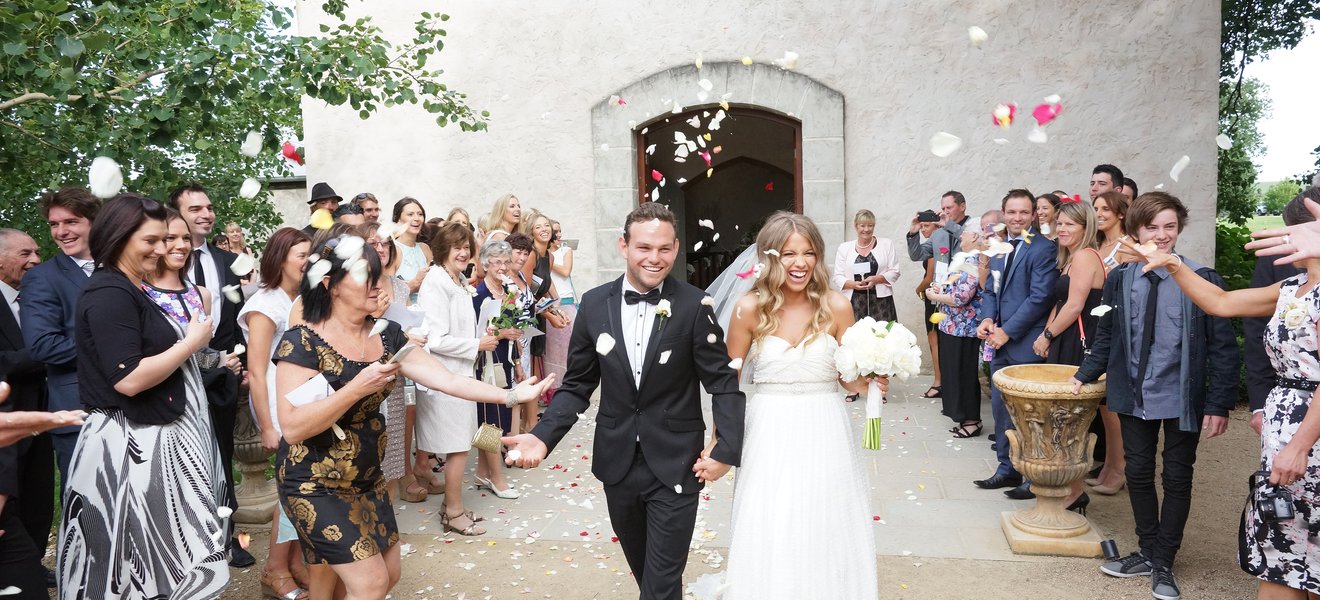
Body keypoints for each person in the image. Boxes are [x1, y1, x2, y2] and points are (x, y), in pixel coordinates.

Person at [272, 235, 552, 599]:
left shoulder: (387, 335)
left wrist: (512, 394)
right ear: (331, 286)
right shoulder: (302, 342)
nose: (378, 287)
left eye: (379, 276)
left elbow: (448, 379)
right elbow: (293, 427)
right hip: (313, 481)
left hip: (366, 477)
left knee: (387, 574)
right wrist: (356, 388)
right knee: (370, 583)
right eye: (366, 277)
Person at [502, 202, 746, 600]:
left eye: (665, 249)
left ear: (676, 248)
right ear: (624, 246)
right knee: (646, 574)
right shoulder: (595, 304)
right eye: (644, 248)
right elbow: (578, 384)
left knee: (661, 584)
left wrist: (726, 449)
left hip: (676, 462)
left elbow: (723, 383)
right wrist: (542, 437)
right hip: (617, 463)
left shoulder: (694, 304)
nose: (655, 258)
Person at [1118, 198, 1318, 600]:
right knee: (1285, 557)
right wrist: (1174, 265)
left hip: (1309, 438)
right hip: (1283, 436)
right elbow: (1221, 304)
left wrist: (1299, 446)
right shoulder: (1292, 287)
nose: (1288, 236)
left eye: (1304, 229)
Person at [58, 193, 229, 599]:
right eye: (150, 241)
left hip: (158, 438)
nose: (161, 249)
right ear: (119, 237)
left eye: (163, 239)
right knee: (141, 569)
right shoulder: (109, 293)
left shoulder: (128, 288)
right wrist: (191, 343)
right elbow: (129, 379)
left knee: (167, 564)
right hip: (132, 447)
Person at [1071, 192, 1238, 600]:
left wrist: (1218, 403)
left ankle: (1165, 559)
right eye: (1152, 227)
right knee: (1139, 474)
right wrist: (1086, 374)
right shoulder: (1120, 278)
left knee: (1178, 477)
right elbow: (1107, 334)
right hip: (1134, 391)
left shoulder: (1202, 277)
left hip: (1182, 395)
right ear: (1135, 230)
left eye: (1170, 227)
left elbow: (1223, 346)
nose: (1162, 236)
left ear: (1179, 229)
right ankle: (1147, 550)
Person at [715, 211, 877, 599]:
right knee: (773, 516)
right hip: (769, 427)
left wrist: (871, 380)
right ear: (770, 257)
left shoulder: (837, 306)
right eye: (788, 254)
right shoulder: (749, 308)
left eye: (808, 253)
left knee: (823, 515)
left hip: (825, 425)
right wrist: (720, 443)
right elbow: (728, 384)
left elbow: (847, 377)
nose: (799, 263)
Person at [169, 182, 252, 567]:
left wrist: (241, 364)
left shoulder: (225, 261)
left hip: (224, 377)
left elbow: (234, 323)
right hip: (176, 376)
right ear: (176, 214)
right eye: (195, 208)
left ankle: (228, 537)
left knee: (222, 455)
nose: (206, 213)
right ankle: (188, 540)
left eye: (209, 207)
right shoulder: (162, 261)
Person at [416, 223, 512, 535]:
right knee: (457, 448)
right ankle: (453, 513)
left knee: (461, 445)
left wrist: (479, 336)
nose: (462, 252)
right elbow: (435, 339)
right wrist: (477, 345)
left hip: (462, 373)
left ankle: (452, 505)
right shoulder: (435, 283)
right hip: (446, 377)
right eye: (456, 246)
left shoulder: (456, 280)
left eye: (466, 246)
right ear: (443, 249)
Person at [235, 227, 313, 600]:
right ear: (280, 258)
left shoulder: (303, 298)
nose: (308, 262)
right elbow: (256, 371)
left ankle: (296, 562)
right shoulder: (265, 305)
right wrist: (267, 426)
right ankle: (275, 569)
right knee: (289, 490)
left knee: (304, 489)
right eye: (301, 255)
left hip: (303, 402)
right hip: (276, 405)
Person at [973, 189, 1059, 492]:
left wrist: (1007, 331)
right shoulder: (999, 248)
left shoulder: (1044, 249)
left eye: (1024, 212)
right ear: (1004, 213)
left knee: (1028, 413)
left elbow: (1039, 298)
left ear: (1034, 214)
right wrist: (986, 319)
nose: (1017, 218)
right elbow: (991, 292)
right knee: (1000, 408)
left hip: (1024, 342)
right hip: (999, 341)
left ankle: (1030, 475)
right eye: (1012, 212)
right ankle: (1007, 468)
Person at [21, 188, 99, 496]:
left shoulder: (123, 268)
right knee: (89, 512)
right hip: (77, 411)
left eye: (71, 222)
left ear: (95, 222)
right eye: (54, 224)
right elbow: (42, 345)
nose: (61, 232)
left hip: (137, 408)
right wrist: (113, 349)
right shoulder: (42, 278)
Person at [1027, 199, 1105, 509]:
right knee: (1064, 420)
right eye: (1060, 222)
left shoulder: (1085, 257)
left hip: (1078, 342)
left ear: (1086, 228)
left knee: (1072, 421)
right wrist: (1045, 336)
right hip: (1065, 337)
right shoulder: (1071, 258)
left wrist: (1048, 334)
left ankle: (1075, 492)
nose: (1062, 228)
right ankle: (1071, 488)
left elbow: (1075, 306)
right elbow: (1060, 304)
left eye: (1070, 224)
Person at [0, 228, 53, 599]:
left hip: (42, 420)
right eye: (25, 253)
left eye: (36, 252)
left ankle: (30, 564)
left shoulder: (34, 298)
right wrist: (43, 353)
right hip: (6, 423)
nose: (35, 260)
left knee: (39, 501)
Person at [1243, 192, 1316, 437]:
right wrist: (1260, 403)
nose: (1286, 241)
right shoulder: (1287, 278)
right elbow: (1254, 326)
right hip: (1287, 411)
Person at [360, 221, 416, 503]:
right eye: (373, 244)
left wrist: (414, 335)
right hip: (367, 375)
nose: (381, 249)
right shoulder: (357, 286)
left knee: (393, 454)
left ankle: (390, 527)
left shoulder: (400, 286)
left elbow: (406, 326)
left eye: (385, 244)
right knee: (370, 459)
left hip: (398, 374)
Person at [470, 240, 528, 500]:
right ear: (485, 264)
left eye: (506, 261)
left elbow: (514, 331)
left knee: (499, 418)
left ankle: (483, 472)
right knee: (490, 420)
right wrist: (502, 332)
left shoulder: (508, 292)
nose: (503, 267)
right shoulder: (478, 294)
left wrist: (517, 362)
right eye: (497, 262)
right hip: (485, 362)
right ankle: (497, 479)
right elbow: (474, 332)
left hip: (503, 360)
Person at [924, 228, 984, 439]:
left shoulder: (975, 261)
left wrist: (934, 296)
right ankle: (963, 417)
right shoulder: (965, 258)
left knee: (964, 375)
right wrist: (941, 289)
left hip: (964, 329)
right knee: (953, 373)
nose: (961, 237)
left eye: (965, 233)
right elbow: (954, 289)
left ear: (975, 237)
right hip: (952, 326)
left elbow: (961, 298)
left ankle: (972, 420)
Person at [833, 209, 901, 324]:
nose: (866, 229)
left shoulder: (886, 244)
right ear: (856, 226)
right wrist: (853, 284)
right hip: (854, 302)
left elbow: (895, 272)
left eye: (870, 225)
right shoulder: (844, 248)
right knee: (856, 337)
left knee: (883, 336)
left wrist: (876, 279)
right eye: (862, 225)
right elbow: (837, 276)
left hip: (881, 302)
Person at [913, 210, 943, 399]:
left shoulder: (934, 248)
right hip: (934, 297)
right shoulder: (936, 244)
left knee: (934, 341)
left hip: (934, 297)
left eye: (927, 226)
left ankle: (939, 381)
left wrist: (918, 289)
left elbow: (929, 277)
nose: (924, 230)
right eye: (922, 226)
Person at [545, 219, 576, 400]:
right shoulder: (542, 254)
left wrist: (549, 260)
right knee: (551, 350)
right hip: (549, 303)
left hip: (565, 299)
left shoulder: (566, 251)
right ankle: (551, 389)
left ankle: (567, 387)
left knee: (566, 348)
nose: (558, 235)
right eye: (554, 231)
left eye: (559, 231)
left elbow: (565, 271)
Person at [392, 197, 432, 300]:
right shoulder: (393, 251)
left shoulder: (425, 248)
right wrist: (416, 282)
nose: (417, 219)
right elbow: (389, 292)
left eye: (420, 214)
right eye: (410, 214)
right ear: (398, 219)